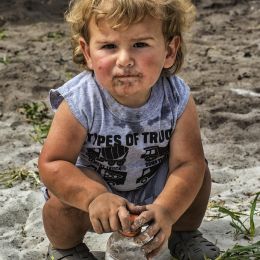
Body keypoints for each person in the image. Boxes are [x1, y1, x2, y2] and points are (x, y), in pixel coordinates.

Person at [38, 0, 221, 259]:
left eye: (140, 45)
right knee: (59, 207)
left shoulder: (176, 97)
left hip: (154, 187)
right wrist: (94, 198)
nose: (125, 60)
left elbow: (187, 163)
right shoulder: (81, 101)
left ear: (169, 51)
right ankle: (67, 249)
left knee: (198, 174)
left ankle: (184, 233)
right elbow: (53, 163)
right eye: (109, 46)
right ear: (87, 52)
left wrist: (167, 209)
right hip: (95, 191)